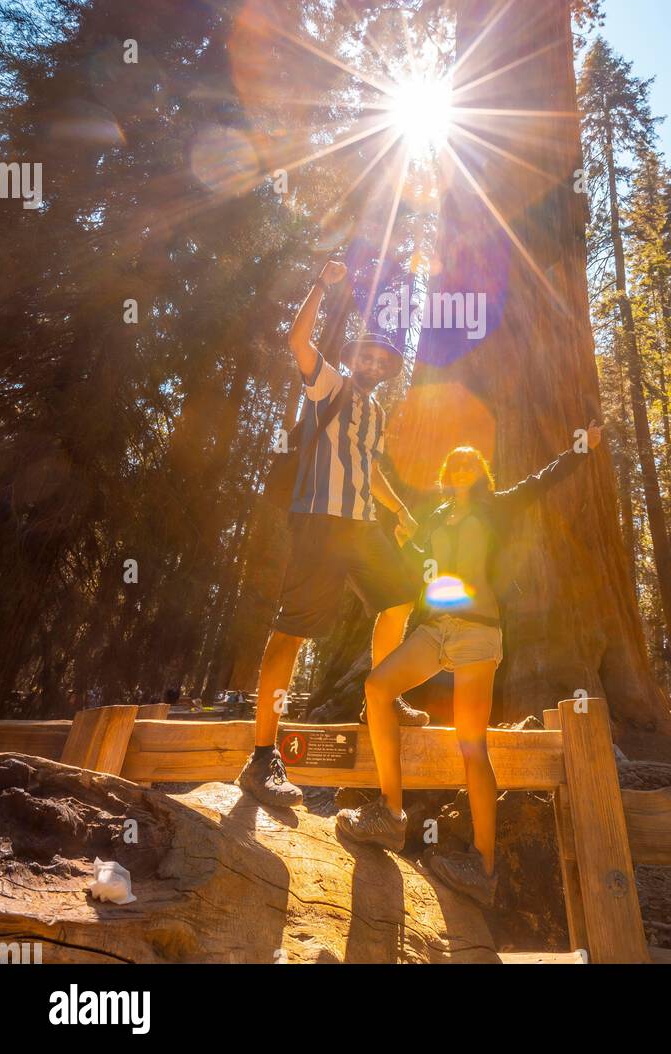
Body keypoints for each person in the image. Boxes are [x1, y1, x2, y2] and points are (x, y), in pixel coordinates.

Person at [335, 420, 604, 906]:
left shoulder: (496, 507)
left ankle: (483, 868)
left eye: (470, 461)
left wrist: (581, 447)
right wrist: (403, 542)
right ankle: (390, 814)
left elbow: (543, 479)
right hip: (435, 630)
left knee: (472, 746)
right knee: (377, 689)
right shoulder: (437, 516)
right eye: (453, 462)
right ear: (446, 473)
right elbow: (425, 566)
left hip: (479, 632)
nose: (461, 466)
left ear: (480, 473)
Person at [236, 258, 427, 814]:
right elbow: (296, 339)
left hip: (362, 528)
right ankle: (261, 755)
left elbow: (368, 471)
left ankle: (379, 699)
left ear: (389, 369)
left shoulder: (373, 411)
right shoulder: (328, 384)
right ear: (353, 357)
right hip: (319, 525)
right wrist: (321, 285)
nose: (372, 362)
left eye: (382, 358)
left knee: (400, 598)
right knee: (291, 634)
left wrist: (398, 512)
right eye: (365, 353)